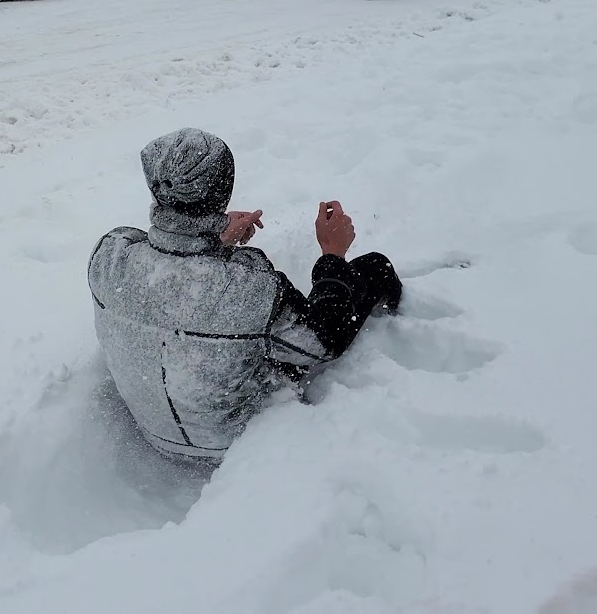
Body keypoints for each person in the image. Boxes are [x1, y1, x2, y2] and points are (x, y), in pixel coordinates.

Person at [88, 129, 404, 462]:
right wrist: (333, 253)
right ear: (223, 191)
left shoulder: (109, 254)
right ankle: (402, 330)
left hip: (154, 433)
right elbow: (324, 340)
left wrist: (212, 237)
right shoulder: (249, 287)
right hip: (230, 445)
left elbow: (170, 285)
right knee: (373, 268)